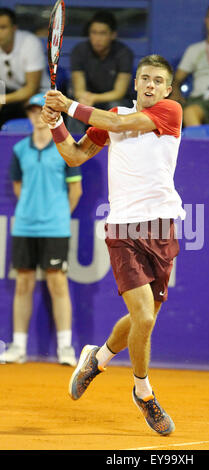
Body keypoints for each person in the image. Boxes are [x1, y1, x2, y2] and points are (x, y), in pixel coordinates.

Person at [41, 54, 185, 435]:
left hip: (162, 228)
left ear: (167, 89)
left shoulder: (169, 111)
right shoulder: (114, 116)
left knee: (145, 318)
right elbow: (74, 156)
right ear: (135, 83)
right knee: (145, 317)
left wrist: (67, 104)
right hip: (123, 229)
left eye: (158, 80)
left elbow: (118, 122)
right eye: (145, 79)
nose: (151, 85)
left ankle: (97, 357)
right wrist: (57, 124)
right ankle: (144, 392)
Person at [0, 94, 82, 366]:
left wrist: (56, 215)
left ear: (52, 115)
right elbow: (18, 187)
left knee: (58, 283)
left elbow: (75, 191)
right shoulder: (20, 149)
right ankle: (18, 347)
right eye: (33, 111)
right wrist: (33, 211)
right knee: (23, 283)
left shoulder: (64, 148)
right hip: (24, 226)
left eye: (42, 111)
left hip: (55, 228)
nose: (37, 116)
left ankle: (65, 348)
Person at [69, 10, 133, 127]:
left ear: (113, 35)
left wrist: (94, 98)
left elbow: (119, 92)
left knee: (116, 106)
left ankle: (116, 144)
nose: (97, 38)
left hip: (112, 99)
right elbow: (78, 89)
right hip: (88, 99)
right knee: (76, 107)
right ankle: (73, 143)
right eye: (94, 32)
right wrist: (84, 99)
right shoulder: (79, 50)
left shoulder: (124, 53)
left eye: (102, 33)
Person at [0, 8, 49, 129]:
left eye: (3, 27)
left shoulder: (30, 42)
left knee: (32, 103)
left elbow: (31, 88)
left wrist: (2, 99)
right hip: (10, 94)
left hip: (39, 94)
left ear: (14, 28)